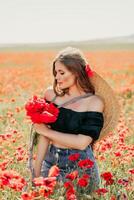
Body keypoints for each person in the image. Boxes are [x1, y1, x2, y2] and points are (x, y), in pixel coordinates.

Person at [32, 46, 120, 193]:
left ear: (77, 73)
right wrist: (36, 169)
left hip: (80, 165)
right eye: (55, 73)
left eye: (61, 72)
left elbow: (81, 142)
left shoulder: (94, 102)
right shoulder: (50, 95)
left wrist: (46, 131)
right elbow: (43, 137)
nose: (57, 77)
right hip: (50, 161)